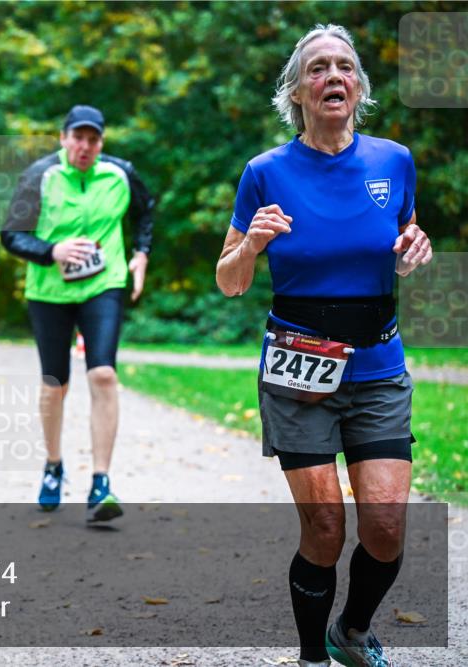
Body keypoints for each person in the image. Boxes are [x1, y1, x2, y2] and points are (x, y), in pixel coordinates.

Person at [215, 24, 433, 667]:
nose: (332, 75)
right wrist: (250, 244)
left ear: (358, 86)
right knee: (326, 527)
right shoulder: (265, 173)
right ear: (297, 91)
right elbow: (229, 282)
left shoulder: (393, 161)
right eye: (317, 68)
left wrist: (411, 251)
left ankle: (353, 632)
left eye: (344, 66)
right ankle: (313, 656)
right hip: (299, 369)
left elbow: (402, 237)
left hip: (377, 366)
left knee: (386, 527)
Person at [0, 105, 155, 523]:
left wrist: (141, 255)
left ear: (101, 143)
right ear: (64, 138)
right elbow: (10, 235)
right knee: (55, 384)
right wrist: (53, 251)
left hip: (104, 285)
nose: (85, 146)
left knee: (103, 373)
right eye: (78, 138)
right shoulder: (39, 177)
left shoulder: (120, 173)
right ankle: (53, 465)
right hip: (49, 291)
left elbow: (146, 210)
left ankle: (101, 481)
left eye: (93, 139)